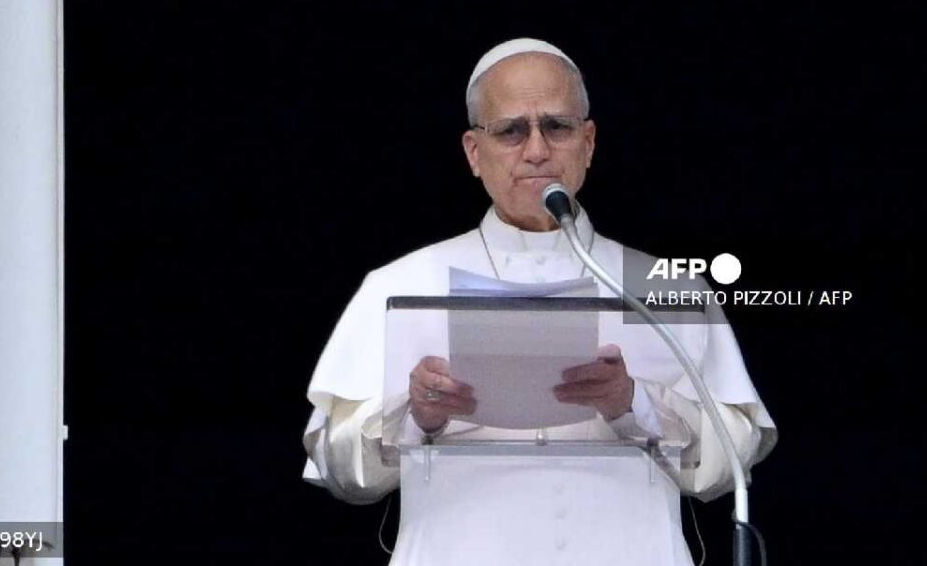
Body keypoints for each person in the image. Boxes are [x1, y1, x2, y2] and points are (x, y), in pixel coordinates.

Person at [302, 38, 777, 565]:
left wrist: (634, 403)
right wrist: (415, 415)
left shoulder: (665, 289)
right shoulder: (398, 285)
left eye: (557, 127)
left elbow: (732, 464)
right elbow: (339, 469)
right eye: (511, 130)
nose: (536, 150)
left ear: (588, 143)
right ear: (474, 152)